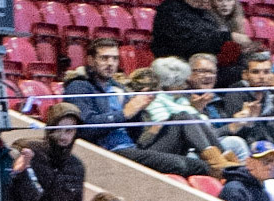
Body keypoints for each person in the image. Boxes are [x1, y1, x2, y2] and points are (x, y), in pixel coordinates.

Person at [63, 37, 213, 178]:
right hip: (110, 153)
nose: (110, 63)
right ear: (90, 60)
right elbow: (85, 127)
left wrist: (140, 109)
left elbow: (136, 133)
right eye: (104, 58)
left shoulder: (118, 88)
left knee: (183, 117)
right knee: (185, 165)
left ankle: (222, 159)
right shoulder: (79, 87)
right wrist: (126, 113)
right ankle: (220, 168)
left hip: (135, 148)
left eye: (114, 58)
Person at [140, 56, 238, 177]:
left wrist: (196, 111)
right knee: (184, 116)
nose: (186, 85)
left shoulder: (181, 100)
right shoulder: (156, 99)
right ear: (169, 82)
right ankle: (217, 164)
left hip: (182, 147)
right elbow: (163, 126)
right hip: (152, 149)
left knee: (192, 117)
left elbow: (203, 127)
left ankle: (226, 160)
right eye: (182, 81)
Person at [151, 0, 249, 83]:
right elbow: (190, 43)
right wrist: (228, 37)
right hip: (178, 65)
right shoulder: (170, 10)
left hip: (205, 63)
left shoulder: (204, 14)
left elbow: (212, 38)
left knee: (247, 71)